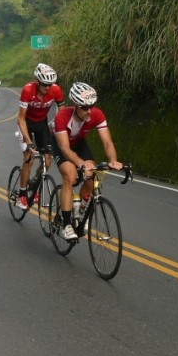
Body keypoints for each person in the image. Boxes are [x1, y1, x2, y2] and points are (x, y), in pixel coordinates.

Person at [51, 82, 123, 241]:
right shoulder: (61, 117)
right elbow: (65, 148)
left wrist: (113, 160)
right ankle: (68, 225)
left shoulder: (96, 114)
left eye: (91, 106)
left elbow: (107, 142)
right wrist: (81, 163)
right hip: (61, 145)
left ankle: (82, 210)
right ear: (75, 105)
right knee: (70, 176)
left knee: (95, 175)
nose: (89, 110)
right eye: (84, 107)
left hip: (79, 143)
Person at [15, 64, 65, 211]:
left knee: (47, 160)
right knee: (29, 158)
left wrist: (60, 137)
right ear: (37, 81)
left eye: (49, 84)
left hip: (41, 124)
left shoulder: (56, 90)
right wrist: (29, 143)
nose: (47, 87)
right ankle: (22, 194)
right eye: (44, 84)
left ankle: (35, 183)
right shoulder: (28, 89)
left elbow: (62, 115)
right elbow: (21, 119)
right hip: (26, 124)